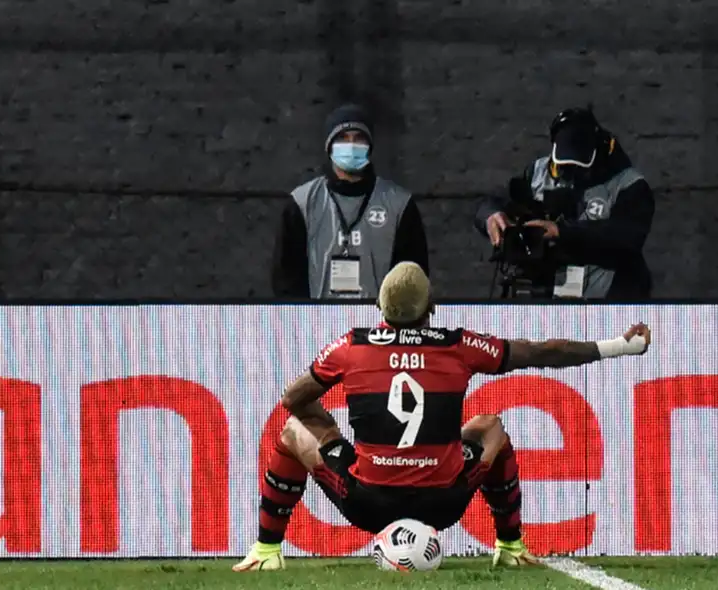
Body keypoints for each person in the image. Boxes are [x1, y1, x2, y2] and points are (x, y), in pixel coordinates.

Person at [234, 261, 651, 571]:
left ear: (379, 305)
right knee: (490, 427)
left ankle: (267, 549)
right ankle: (510, 545)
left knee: (294, 429)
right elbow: (541, 352)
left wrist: (328, 432)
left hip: (367, 503)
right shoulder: (458, 345)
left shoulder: (350, 346)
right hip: (444, 501)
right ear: (431, 305)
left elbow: (292, 399)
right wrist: (619, 346)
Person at [475, 107, 655, 300]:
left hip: (607, 296)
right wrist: (491, 216)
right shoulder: (537, 173)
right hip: (547, 294)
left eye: (578, 166)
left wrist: (561, 231)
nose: (571, 172)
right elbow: (493, 201)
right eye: (564, 165)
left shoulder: (628, 184)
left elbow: (627, 235)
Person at [271, 104, 429, 299]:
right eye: (343, 138)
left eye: (359, 138)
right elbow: (285, 278)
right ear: (329, 146)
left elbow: (413, 277)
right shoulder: (302, 203)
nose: (351, 145)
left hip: (378, 317)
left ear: (370, 146)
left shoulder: (399, 205)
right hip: (318, 316)